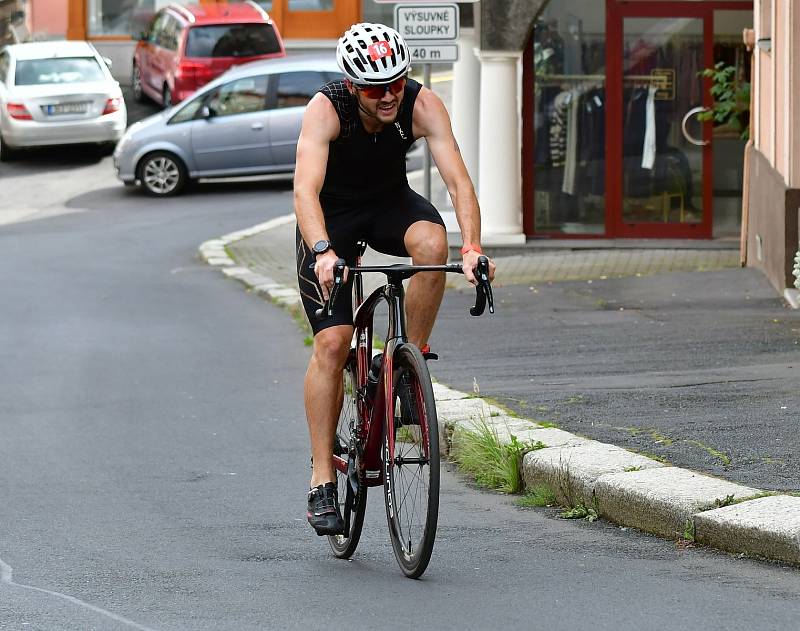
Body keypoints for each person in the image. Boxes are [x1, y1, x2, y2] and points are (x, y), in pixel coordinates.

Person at [294, 22, 496, 535]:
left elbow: (457, 180)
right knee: (334, 344)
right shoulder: (326, 108)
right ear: (352, 86)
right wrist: (321, 250)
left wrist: (472, 248)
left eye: (396, 84)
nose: (388, 96)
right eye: (374, 88)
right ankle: (321, 478)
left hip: (387, 203)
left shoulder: (421, 103)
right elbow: (304, 191)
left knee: (433, 244)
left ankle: (408, 363)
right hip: (330, 219)